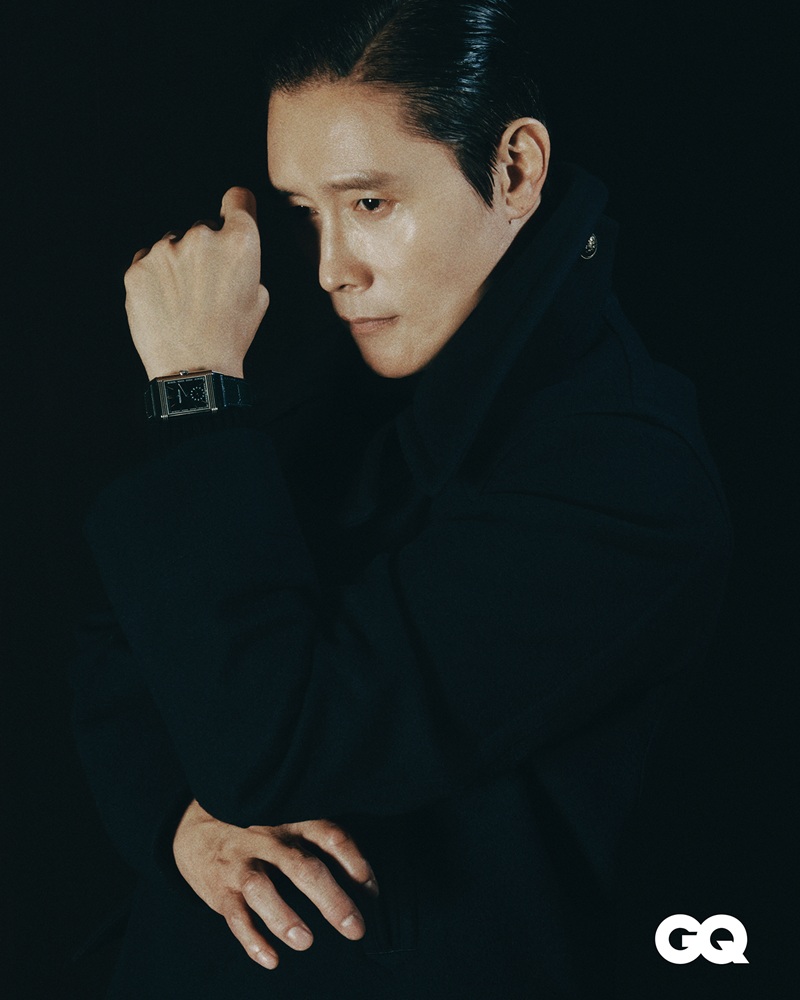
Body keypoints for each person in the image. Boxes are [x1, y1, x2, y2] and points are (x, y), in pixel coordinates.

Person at [71, 1, 731, 996]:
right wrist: (183, 821)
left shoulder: (623, 473)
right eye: (306, 213)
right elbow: (116, 641)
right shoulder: (358, 394)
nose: (331, 269)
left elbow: (279, 745)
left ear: (515, 170)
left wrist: (196, 390)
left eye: (370, 203)